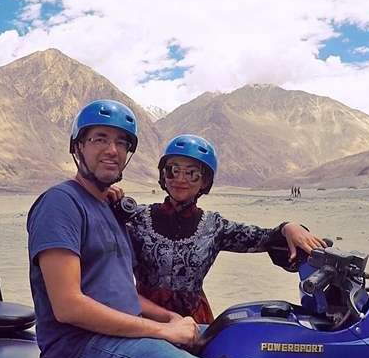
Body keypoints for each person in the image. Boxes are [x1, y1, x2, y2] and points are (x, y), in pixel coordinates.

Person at [27, 101, 241, 358]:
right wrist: (162, 331)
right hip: (82, 348)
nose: (112, 150)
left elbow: (118, 291)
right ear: (77, 147)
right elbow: (68, 306)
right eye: (100, 138)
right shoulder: (60, 204)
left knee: (237, 342)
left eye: (121, 142)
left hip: (119, 337)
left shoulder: (107, 208)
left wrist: (168, 317)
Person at [124, 134, 326, 324]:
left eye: (192, 173)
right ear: (163, 175)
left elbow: (263, 238)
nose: (180, 179)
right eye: (173, 170)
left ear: (205, 181)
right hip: (143, 316)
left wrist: (288, 227)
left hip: (194, 322)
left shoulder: (214, 226)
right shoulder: (136, 217)